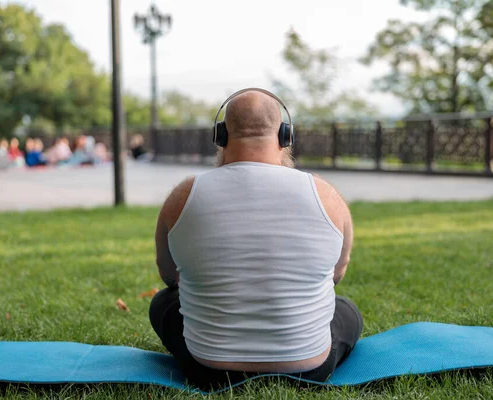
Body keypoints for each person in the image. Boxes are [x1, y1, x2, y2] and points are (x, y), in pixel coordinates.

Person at [149, 88, 361, 391]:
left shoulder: (182, 196)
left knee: (162, 303)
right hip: (309, 368)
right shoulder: (327, 195)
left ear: (220, 135)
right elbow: (337, 274)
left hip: (207, 369)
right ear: (285, 135)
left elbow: (169, 275)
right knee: (346, 309)